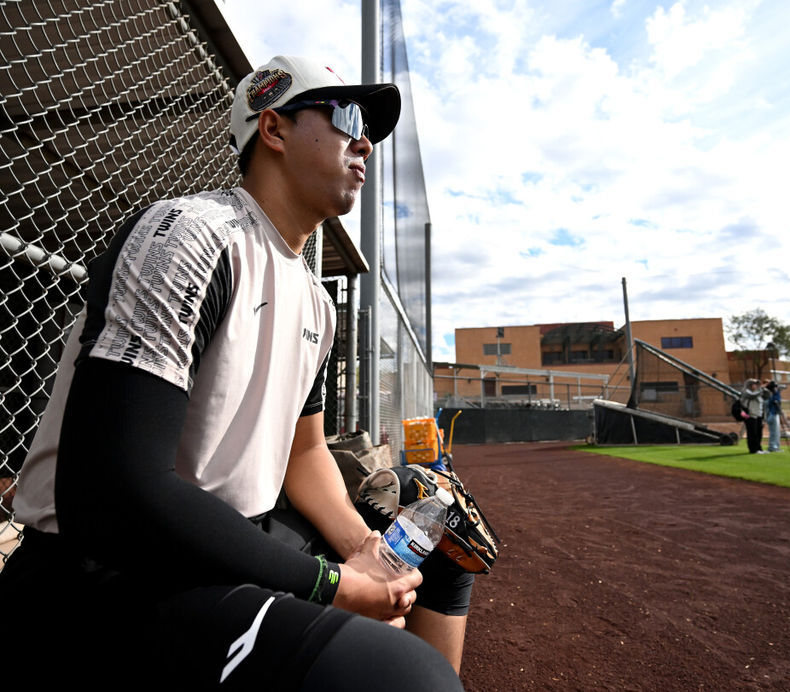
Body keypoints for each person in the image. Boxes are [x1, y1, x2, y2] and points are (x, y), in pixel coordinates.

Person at [0, 56, 466, 690]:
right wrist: (333, 585)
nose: (364, 143)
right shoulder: (191, 235)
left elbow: (305, 454)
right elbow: (116, 489)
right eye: (346, 117)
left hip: (229, 545)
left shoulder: (318, 300)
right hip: (106, 573)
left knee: (439, 555)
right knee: (401, 676)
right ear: (272, 129)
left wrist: (368, 556)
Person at [740, 378, 770, 454]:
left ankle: (758, 448)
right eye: (754, 384)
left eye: (757, 384)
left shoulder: (758, 392)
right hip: (750, 415)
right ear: (749, 385)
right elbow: (752, 396)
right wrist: (761, 388)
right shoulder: (746, 392)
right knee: (752, 433)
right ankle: (753, 449)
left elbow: (767, 396)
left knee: (759, 433)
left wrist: (766, 389)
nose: (756, 386)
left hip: (758, 414)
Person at [764, 380, 783, 453]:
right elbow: (776, 402)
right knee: (774, 432)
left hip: (775, 414)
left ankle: (776, 447)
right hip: (772, 415)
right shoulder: (772, 396)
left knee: (777, 432)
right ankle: (772, 447)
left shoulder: (775, 394)